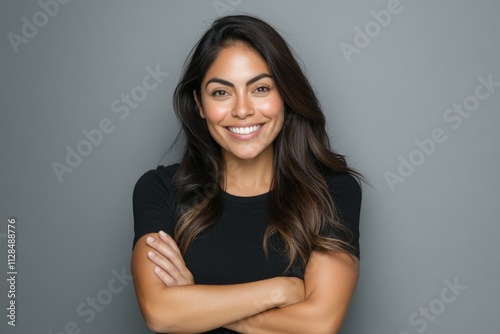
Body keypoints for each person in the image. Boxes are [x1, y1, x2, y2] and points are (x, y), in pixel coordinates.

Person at [131, 14, 362, 334]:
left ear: (286, 96)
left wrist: (197, 299)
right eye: (221, 93)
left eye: (261, 88)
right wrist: (280, 290)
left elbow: (318, 325)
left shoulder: (332, 192)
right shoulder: (159, 190)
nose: (242, 110)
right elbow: (160, 312)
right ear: (199, 103)